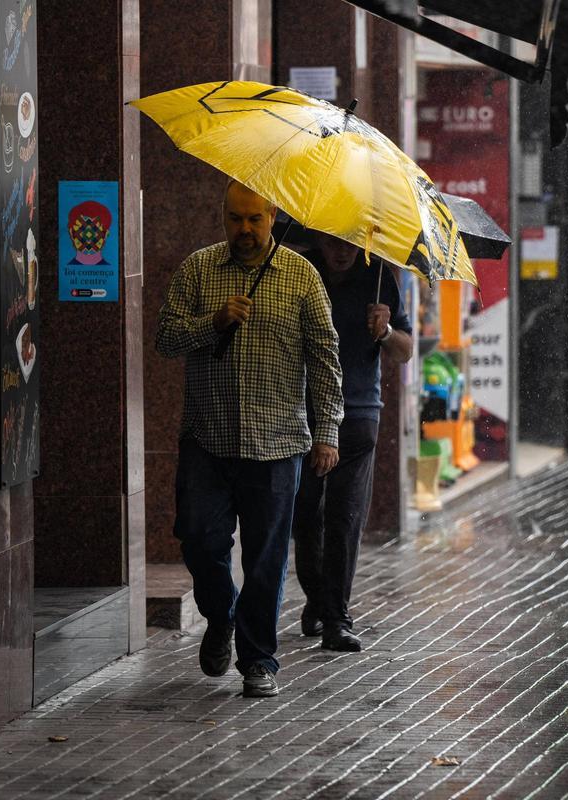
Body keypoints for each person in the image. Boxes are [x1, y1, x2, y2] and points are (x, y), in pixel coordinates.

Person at [156, 181, 343, 698]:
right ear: (223, 217)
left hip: (277, 444)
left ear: (272, 216)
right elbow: (165, 337)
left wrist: (327, 433)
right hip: (208, 438)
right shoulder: (198, 270)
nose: (244, 229)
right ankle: (221, 615)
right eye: (235, 218)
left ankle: (258, 659)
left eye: (254, 219)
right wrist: (212, 322)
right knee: (199, 539)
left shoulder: (301, 276)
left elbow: (325, 360)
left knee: (266, 558)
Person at [293, 232, 413, 652]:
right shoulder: (300, 271)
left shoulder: (378, 276)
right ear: (318, 238)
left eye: (349, 243)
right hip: (303, 411)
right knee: (305, 516)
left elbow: (405, 349)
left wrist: (385, 331)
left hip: (358, 413)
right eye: (333, 243)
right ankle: (318, 598)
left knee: (345, 518)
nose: (341, 252)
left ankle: (336, 619)